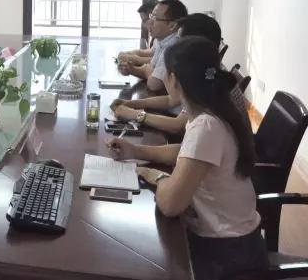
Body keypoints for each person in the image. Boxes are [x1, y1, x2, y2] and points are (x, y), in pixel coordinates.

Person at [106, 36, 267, 280]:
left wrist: (156, 176)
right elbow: (187, 152)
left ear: (173, 80)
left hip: (225, 252)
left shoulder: (206, 126)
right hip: (232, 240)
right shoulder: (212, 111)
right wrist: (136, 151)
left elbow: (171, 205)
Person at [111, 13, 249, 137]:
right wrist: (130, 103)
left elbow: (177, 126)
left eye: (178, 40)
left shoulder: (210, 82)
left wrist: (134, 115)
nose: (173, 44)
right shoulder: (205, 72)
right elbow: (172, 100)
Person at [119, 0, 188, 91]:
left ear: (172, 26)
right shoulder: (162, 40)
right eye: (151, 16)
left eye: (156, 19)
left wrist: (145, 68)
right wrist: (131, 69)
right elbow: (151, 71)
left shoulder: (172, 47)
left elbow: (154, 84)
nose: (149, 22)